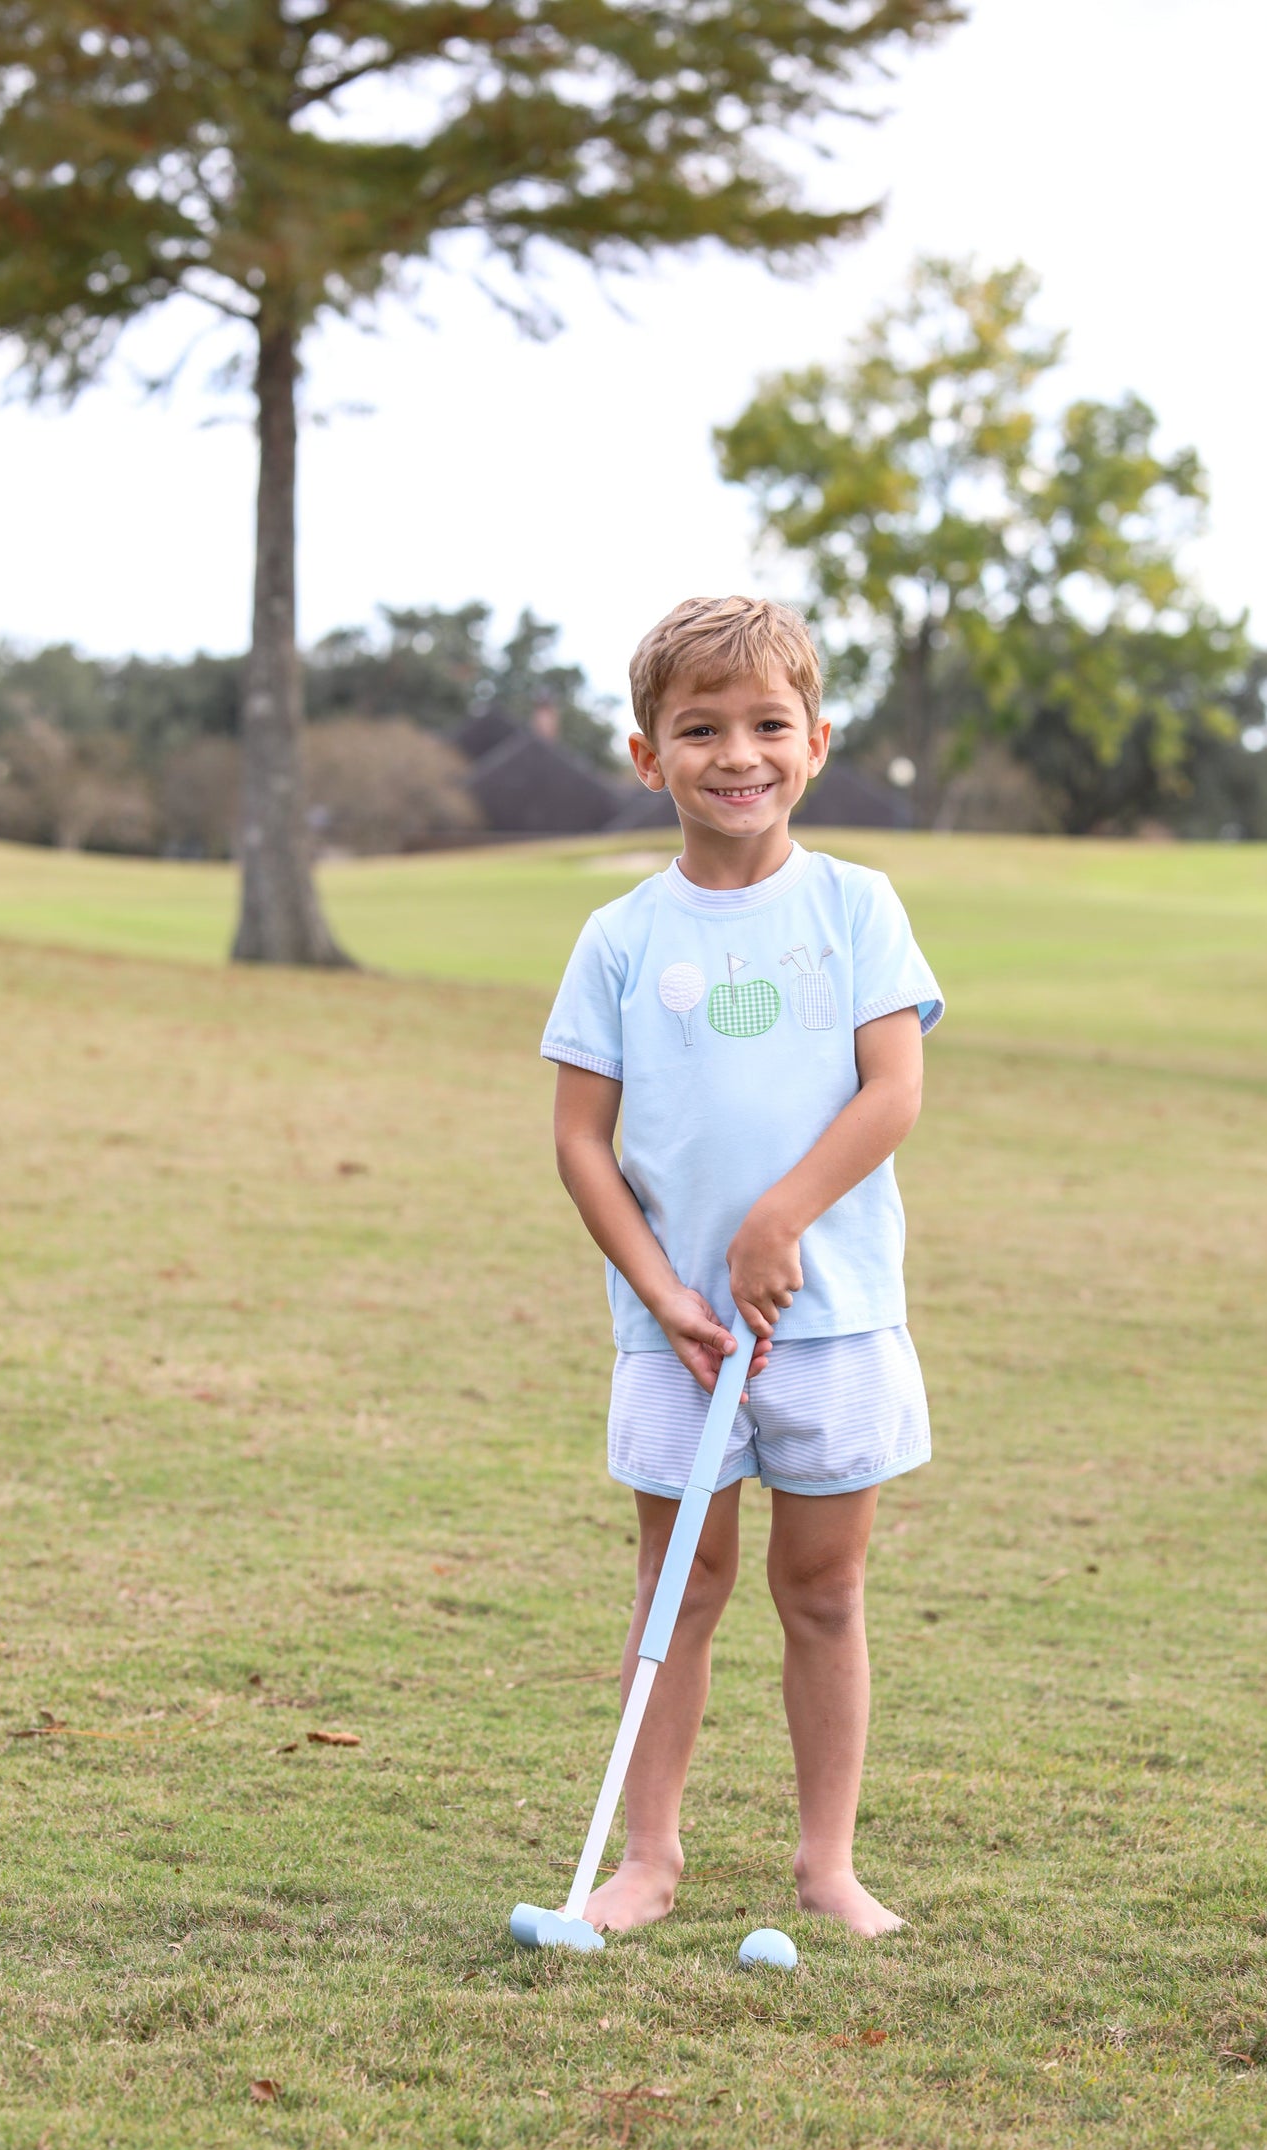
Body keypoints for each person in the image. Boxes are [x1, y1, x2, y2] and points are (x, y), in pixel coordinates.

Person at [541, 595, 944, 1937]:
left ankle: (824, 1865)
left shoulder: (856, 905)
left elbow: (891, 1091)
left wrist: (777, 1222)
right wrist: (666, 1294)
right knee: (681, 1590)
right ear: (649, 755)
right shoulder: (617, 937)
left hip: (829, 1321)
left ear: (815, 743)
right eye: (698, 728)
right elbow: (581, 1144)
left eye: (767, 724)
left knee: (822, 1593)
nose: (736, 753)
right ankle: (647, 1859)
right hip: (675, 1334)